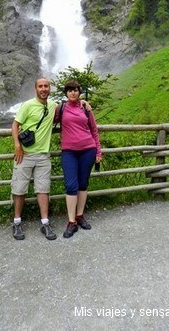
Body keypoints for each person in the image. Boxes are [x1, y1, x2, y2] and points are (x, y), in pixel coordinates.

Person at [54, 79, 102, 238]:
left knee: (83, 184)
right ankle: (71, 221)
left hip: (88, 149)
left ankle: (80, 215)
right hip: (69, 152)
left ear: (79, 92)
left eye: (75, 90)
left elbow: (94, 130)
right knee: (70, 185)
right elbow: (46, 118)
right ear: (66, 93)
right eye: (70, 90)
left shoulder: (86, 108)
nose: (73, 92)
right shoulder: (60, 108)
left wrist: (98, 152)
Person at [11, 77, 57, 241]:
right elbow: (15, 125)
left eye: (46, 86)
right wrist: (17, 146)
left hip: (44, 155)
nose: (43, 89)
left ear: (49, 89)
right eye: (40, 86)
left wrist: (84, 104)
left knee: (43, 189)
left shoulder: (53, 106)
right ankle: (16, 222)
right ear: (35, 89)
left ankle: (45, 222)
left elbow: (68, 109)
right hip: (25, 154)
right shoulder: (28, 105)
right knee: (19, 188)